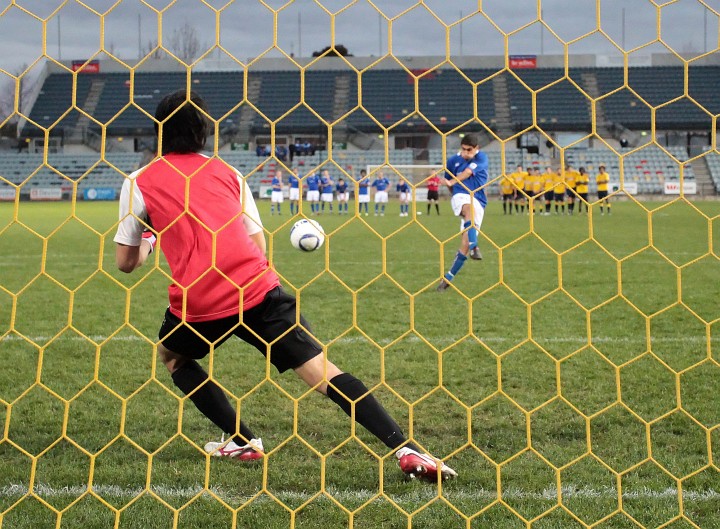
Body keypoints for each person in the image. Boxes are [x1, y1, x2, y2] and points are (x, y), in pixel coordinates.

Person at [113, 90, 457, 481]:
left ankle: (242, 439)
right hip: (256, 289)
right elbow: (257, 244)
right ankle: (406, 449)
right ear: (204, 132)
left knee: (174, 358)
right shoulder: (229, 174)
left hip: (200, 302)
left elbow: (127, 263)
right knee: (322, 372)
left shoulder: (139, 181)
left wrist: (152, 237)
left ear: (158, 132)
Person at [437, 134, 487, 292]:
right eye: (463, 149)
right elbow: (448, 180)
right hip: (461, 195)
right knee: (468, 209)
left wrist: (452, 181)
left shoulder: (481, 158)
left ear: (476, 148)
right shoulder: (452, 161)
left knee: (463, 244)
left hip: (479, 200)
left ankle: (447, 279)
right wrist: (452, 189)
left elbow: (467, 172)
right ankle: (475, 247)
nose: (466, 152)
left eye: (469, 150)